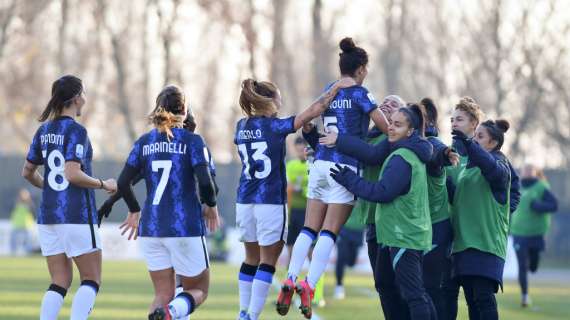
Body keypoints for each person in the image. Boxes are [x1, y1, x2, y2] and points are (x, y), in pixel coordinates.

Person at [277, 37, 388, 319]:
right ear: (361, 69)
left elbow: (313, 116)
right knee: (329, 232)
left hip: (319, 163)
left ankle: (290, 277)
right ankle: (309, 285)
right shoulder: (362, 94)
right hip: (345, 167)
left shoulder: (329, 90)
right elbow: (386, 128)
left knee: (308, 229)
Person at [235, 78, 353, 320]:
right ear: (269, 101)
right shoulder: (275, 126)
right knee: (268, 261)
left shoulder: (240, 126)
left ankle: (242, 312)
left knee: (250, 258)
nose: (281, 101)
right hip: (269, 200)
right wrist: (335, 89)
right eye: (278, 96)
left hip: (244, 200)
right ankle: (252, 316)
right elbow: (312, 112)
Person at [116, 85, 221, 320]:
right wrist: (211, 204)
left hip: (151, 229)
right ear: (184, 110)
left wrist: (134, 211)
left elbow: (124, 183)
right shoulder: (192, 141)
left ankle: (167, 310)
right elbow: (205, 182)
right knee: (199, 290)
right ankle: (173, 311)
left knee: (162, 295)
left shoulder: (144, 141)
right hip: (184, 228)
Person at [325, 103, 436, 319]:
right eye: (391, 123)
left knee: (414, 295)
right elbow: (371, 153)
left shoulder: (402, 158)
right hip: (394, 234)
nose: (391, 128)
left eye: (398, 125)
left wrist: (349, 180)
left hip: (404, 235)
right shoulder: (402, 151)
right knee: (386, 285)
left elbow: (382, 192)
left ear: (410, 131)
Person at [22, 75, 117, 320]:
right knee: (91, 279)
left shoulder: (43, 131)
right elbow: (73, 174)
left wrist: (50, 189)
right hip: (76, 215)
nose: (85, 99)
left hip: (48, 217)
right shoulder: (77, 131)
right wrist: (103, 184)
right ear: (76, 98)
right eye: (83, 94)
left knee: (59, 281)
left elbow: (28, 172)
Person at [97, 112, 218, 226]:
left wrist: (109, 203)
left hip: (156, 225)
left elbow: (128, 181)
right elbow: (211, 185)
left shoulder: (153, 149)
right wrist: (208, 204)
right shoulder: (197, 146)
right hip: (185, 225)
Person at [450, 119, 512, 320]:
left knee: (483, 298)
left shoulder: (500, 165)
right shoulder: (468, 167)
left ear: (493, 143)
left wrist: (468, 143)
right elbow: (457, 197)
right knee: (472, 302)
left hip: (486, 244)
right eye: (474, 136)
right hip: (463, 244)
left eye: (480, 136)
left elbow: (493, 171)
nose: (475, 140)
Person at [285, 137, 327, 307]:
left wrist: (299, 189)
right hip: (294, 213)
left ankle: (317, 295)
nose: (301, 151)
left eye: (304, 148)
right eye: (298, 148)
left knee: (312, 254)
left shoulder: (315, 165)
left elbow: (316, 188)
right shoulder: (291, 166)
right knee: (291, 254)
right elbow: (287, 187)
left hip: (310, 214)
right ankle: (290, 293)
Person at [510, 164, 558, 307]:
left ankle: (533, 264)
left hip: (536, 233)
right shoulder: (516, 185)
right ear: (521, 172)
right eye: (525, 170)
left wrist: (539, 206)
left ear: (536, 173)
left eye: (530, 170)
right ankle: (524, 296)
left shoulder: (541, 187)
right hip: (518, 232)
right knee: (522, 266)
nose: (527, 172)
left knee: (533, 266)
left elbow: (554, 205)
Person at [333, 210, 365, 300]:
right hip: (344, 228)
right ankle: (339, 285)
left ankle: (339, 283)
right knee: (341, 257)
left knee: (351, 262)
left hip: (358, 229)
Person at [10, 188, 35, 255]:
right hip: (17, 225)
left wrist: (28, 202)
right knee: (13, 241)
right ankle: (13, 253)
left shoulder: (30, 204)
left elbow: (33, 212)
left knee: (28, 242)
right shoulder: (16, 203)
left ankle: (28, 254)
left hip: (27, 226)